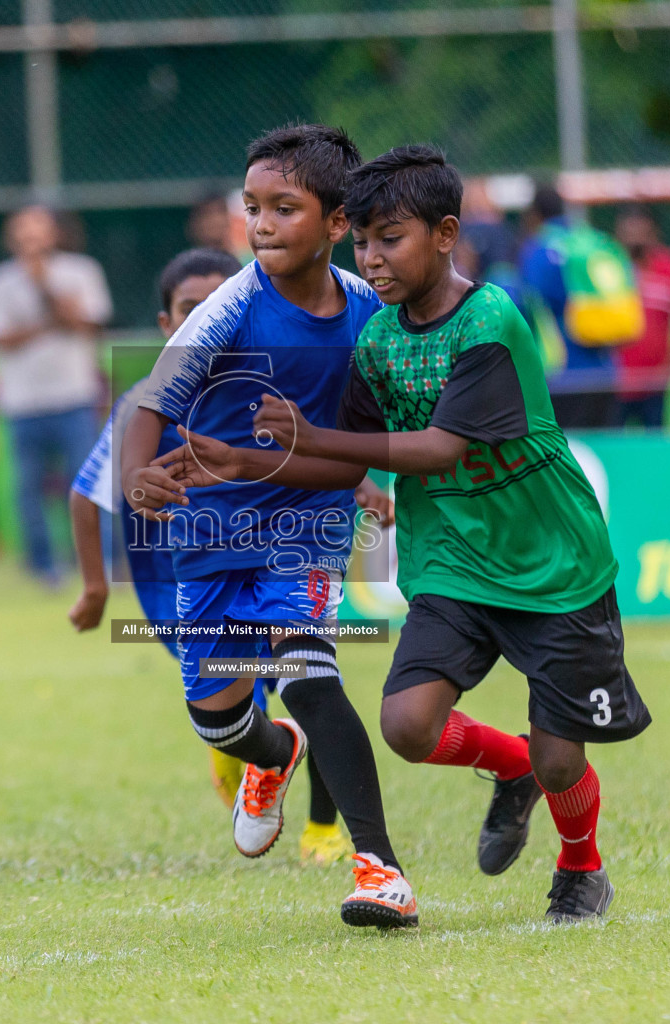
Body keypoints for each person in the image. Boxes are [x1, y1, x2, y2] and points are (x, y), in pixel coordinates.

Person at [160, 146, 652, 923]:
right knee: (407, 724)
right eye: (363, 242)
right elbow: (339, 466)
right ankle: (513, 769)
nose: (372, 259)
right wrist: (238, 461)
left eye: (391, 239)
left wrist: (309, 439)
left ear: (447, 233)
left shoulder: (489, 318)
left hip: (550, 561)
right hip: (450, 561)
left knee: (566, 760)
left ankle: (580, 865)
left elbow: (435, 450)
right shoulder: (378, 340)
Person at [121, 124, 415, 928]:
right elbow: (153, 398)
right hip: (210, 534)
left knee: (308, 669)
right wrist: (139, 475)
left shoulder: (367, 315)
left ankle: (380, 869)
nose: (262, 224)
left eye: (285, 208)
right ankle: (276, 754)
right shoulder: (230, 308)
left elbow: (364, 438)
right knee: (214, 715)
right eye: (252, 207)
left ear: (337, 223)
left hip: (305, 529)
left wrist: (368, 480)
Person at [68, 246, 353, 867]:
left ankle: (325, 829)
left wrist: (363, 487)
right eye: (190, 308)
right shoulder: (144, 403)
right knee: (228, 718)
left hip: (286, 557)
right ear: (170, 326)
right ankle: (268, 757)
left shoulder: (270, 383)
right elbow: (87, 496)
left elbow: (319, 452)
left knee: (309, 682)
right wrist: (95, 588)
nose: (207, 315)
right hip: (189, 588)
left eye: (217, 303)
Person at [0, 206, 112, 586]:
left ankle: (94, 562)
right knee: (28, 490)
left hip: (74, 396)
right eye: (22, 233)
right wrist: (44, 324)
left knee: (87, 485)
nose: (30, 241)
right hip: (22, 403)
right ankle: (42, 566)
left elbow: (88, 323)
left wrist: (44, 288)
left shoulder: (81, 272)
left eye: (37, 233)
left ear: (53, 235)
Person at [519, 184, 618, 429]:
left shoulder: (538, 249)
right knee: (604, 451)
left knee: (567, 451)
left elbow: (527, 305)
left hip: (561, 373)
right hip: (606, 369)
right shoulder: (593, 242)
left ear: (535, 215)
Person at [613, 205, 670, 429]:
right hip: (612, 383)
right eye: (629, 233)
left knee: (655, 445)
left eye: (641, 233)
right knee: (612, 445)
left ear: (653, 233)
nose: (635, 240)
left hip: (655, 383)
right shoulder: (607, 269)